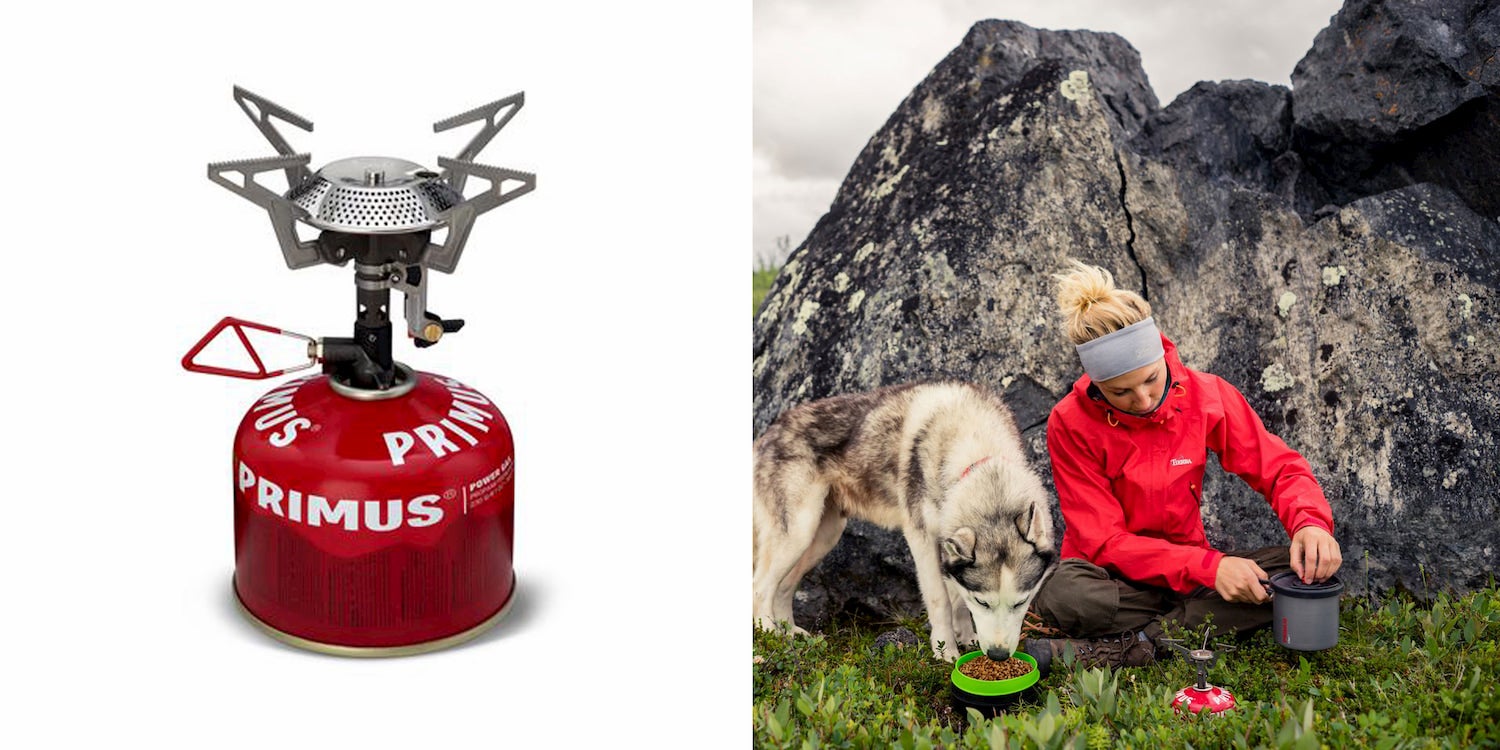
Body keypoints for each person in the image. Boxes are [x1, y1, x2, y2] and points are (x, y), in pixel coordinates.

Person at [1023, 260, 1342, 671]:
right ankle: (1182, 625)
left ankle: (1131, 645)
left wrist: (1311, 524)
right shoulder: (1069, 422)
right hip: (1114, 581)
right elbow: (1106, 542)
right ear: (1096, 383)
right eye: (1121, 391)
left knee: (1306, 573)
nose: (1142, 399)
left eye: (1151, 379)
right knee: (1065, 595)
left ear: (1162, 355)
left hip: (1191, 574)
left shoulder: (1207, 396)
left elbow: (1279, 468)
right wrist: (1212, 571)